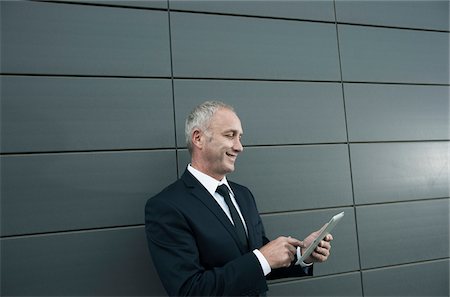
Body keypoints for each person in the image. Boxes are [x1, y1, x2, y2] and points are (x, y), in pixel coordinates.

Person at [145, 101, 333, 296]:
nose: (239, 147)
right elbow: (190, 290)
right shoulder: (166, 207)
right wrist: (262, 258)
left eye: (240, 137)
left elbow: (261, 264)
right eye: (230, 135)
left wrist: (304, 254)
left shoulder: (243, 195)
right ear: (198, 138)